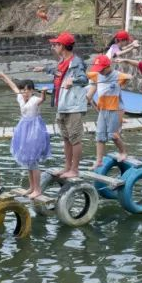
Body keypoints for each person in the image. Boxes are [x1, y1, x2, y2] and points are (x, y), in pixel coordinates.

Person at [35, 32, 88, 179]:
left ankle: (75, 169)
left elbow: (84, 79)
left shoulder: (75, 62)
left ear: (63, 46)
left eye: (56, 44)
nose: (53, 47)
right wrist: (44, 69)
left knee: (75, 138)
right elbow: (58, 73)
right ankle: (67, 167)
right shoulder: (62, 61)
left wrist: (73, 81)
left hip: (74, 107)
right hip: (62, 105)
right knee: (66, 138)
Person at [0, 73, 50, 198]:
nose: (25, 92)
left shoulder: (35, 99)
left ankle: (38, 189)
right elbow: (13, 87)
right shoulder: (20, 98)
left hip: (35, 130)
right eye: (23, 90)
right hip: (23, 129)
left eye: (27, 90)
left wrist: (43, 93)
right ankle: (31, 187)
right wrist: (5, 77)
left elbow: (43, 100)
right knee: (28, 160)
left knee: (33, 160)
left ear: (32, 91)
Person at [85, 54, 130, 168]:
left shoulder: (118, 75)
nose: (100, 72)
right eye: (98, 70)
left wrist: (123, 81)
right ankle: (99, 160)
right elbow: (85, 74)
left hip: (115, 108)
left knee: (113, 135)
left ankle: (123, 152)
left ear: (108, 66)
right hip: (103, 108)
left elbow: (129, 77)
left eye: (101, 69)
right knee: (99, 135)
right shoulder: (96, 75)